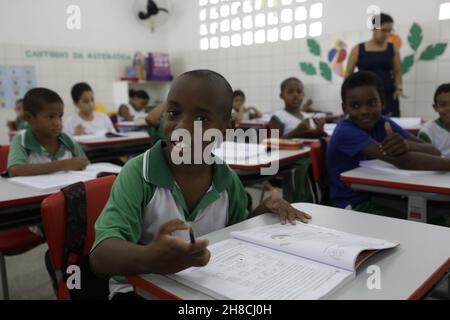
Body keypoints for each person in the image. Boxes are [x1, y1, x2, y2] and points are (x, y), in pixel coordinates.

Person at [89, 70, 311, 299]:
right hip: (138, 290)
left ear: (226, 129)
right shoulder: (138, 174)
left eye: (201, 119)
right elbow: (100, 256)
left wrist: (262, 212)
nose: (181, 127)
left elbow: (234, 238)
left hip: (202, 289)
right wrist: (149, 258)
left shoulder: (227, 181)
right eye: (173, 113)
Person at [327, 71, 449, 216]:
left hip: (378, 193)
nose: (365, 111)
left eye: (371, 103)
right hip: (353, 203)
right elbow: (405, 161)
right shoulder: (345, 131)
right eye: (355, 106)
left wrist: (407, 144)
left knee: (435, 213)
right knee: (424, 218)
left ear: (382, 103)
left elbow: (433, 151)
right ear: (344, 108)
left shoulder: (382, 122)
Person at [7, 88, 88, 177]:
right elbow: (14, 170)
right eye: (51, 117)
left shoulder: (66, 140)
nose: (58, 123)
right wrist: (64, 165)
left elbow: (84, 164)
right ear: (28, 117)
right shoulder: (21, 141)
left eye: (60, 116)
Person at [346, 13, 404, 117]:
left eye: (389, 31)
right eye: (384, 30)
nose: (387, 34)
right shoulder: (358, 49)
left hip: (388, 96)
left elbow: (397, 71)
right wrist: (347, 93)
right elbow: (348, 73)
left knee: (389, 128)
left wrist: (399, 87)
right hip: (364, 98)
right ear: (374, 28)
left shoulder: (393, 48)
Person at [418, 84, 450, 158]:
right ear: (435, 107)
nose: (448, 108)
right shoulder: (427, 133)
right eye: (443, 105)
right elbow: (423, 159)